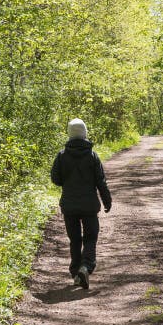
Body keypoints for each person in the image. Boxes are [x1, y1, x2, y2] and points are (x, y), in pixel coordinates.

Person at [50, 118, 112, 290]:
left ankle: (76, 272)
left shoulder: (62, 155)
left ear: (69, 134)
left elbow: (55, 179)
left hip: (69, 206)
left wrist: (68, 180)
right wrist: (107, 200)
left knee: (75, 240)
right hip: (89, 206)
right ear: (84, 133)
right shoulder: (92, 156)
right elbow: (101, 181)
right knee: (91, 238)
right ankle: (85, 267)